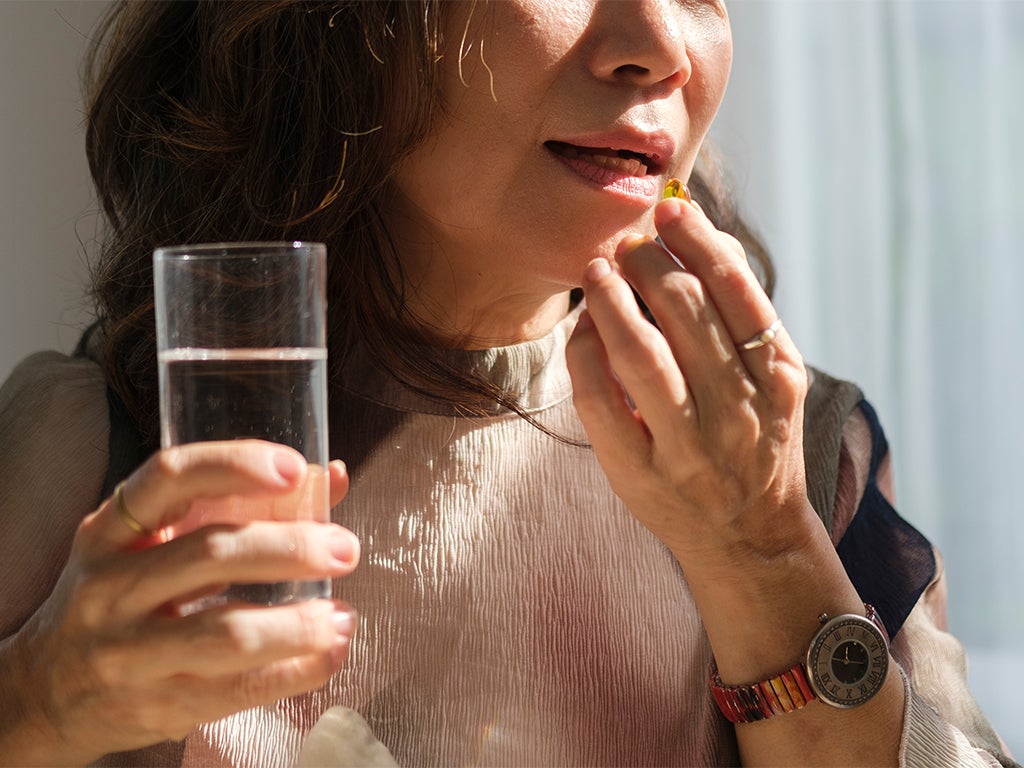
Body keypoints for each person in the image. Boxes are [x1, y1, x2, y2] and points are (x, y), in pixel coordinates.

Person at [0, 1, 1016, 766]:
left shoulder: (796, 455)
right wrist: (35, 702)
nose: (659, 42)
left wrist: (764, 550)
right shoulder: (97, 446)